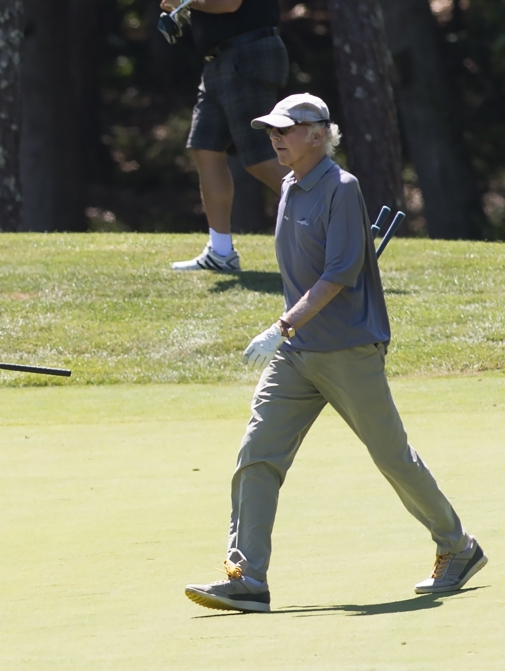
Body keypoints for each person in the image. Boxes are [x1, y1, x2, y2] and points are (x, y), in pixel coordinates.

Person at [184, 94, 487, 613]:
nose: (275, 138)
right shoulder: (289, 185)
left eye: (286, 129)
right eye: (271, 130)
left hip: (347, 349)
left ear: (319, 133)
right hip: (298, 352)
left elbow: (339, 274)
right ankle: (247, 576)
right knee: (257, 454)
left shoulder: (341, 188)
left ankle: (457, 545)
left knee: (392, 456)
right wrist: (290, 333)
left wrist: (282, 324)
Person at [162, 0, 290, 272]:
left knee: (261, 157)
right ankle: (220, 252)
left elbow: (228, 4)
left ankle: (341, 227)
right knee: (205, 148)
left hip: (246, 56)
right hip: (220, 62)